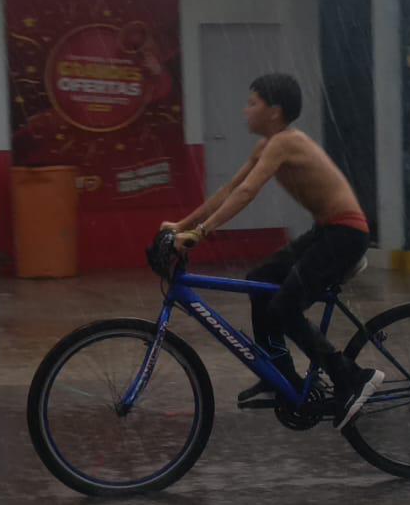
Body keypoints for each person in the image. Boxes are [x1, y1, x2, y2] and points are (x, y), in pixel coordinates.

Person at [160, 73, 383, 429]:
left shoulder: (285, 142)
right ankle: (280, 376)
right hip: (326, 231)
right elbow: (230, 189)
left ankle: (351, 377)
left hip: (345, 234)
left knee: (285, 307)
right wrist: (181, 225)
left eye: (252, 103)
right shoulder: (267, 146)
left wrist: (200, 233)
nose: (244, 110)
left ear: (274, 111)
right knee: (258, 281)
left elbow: (248, 192)